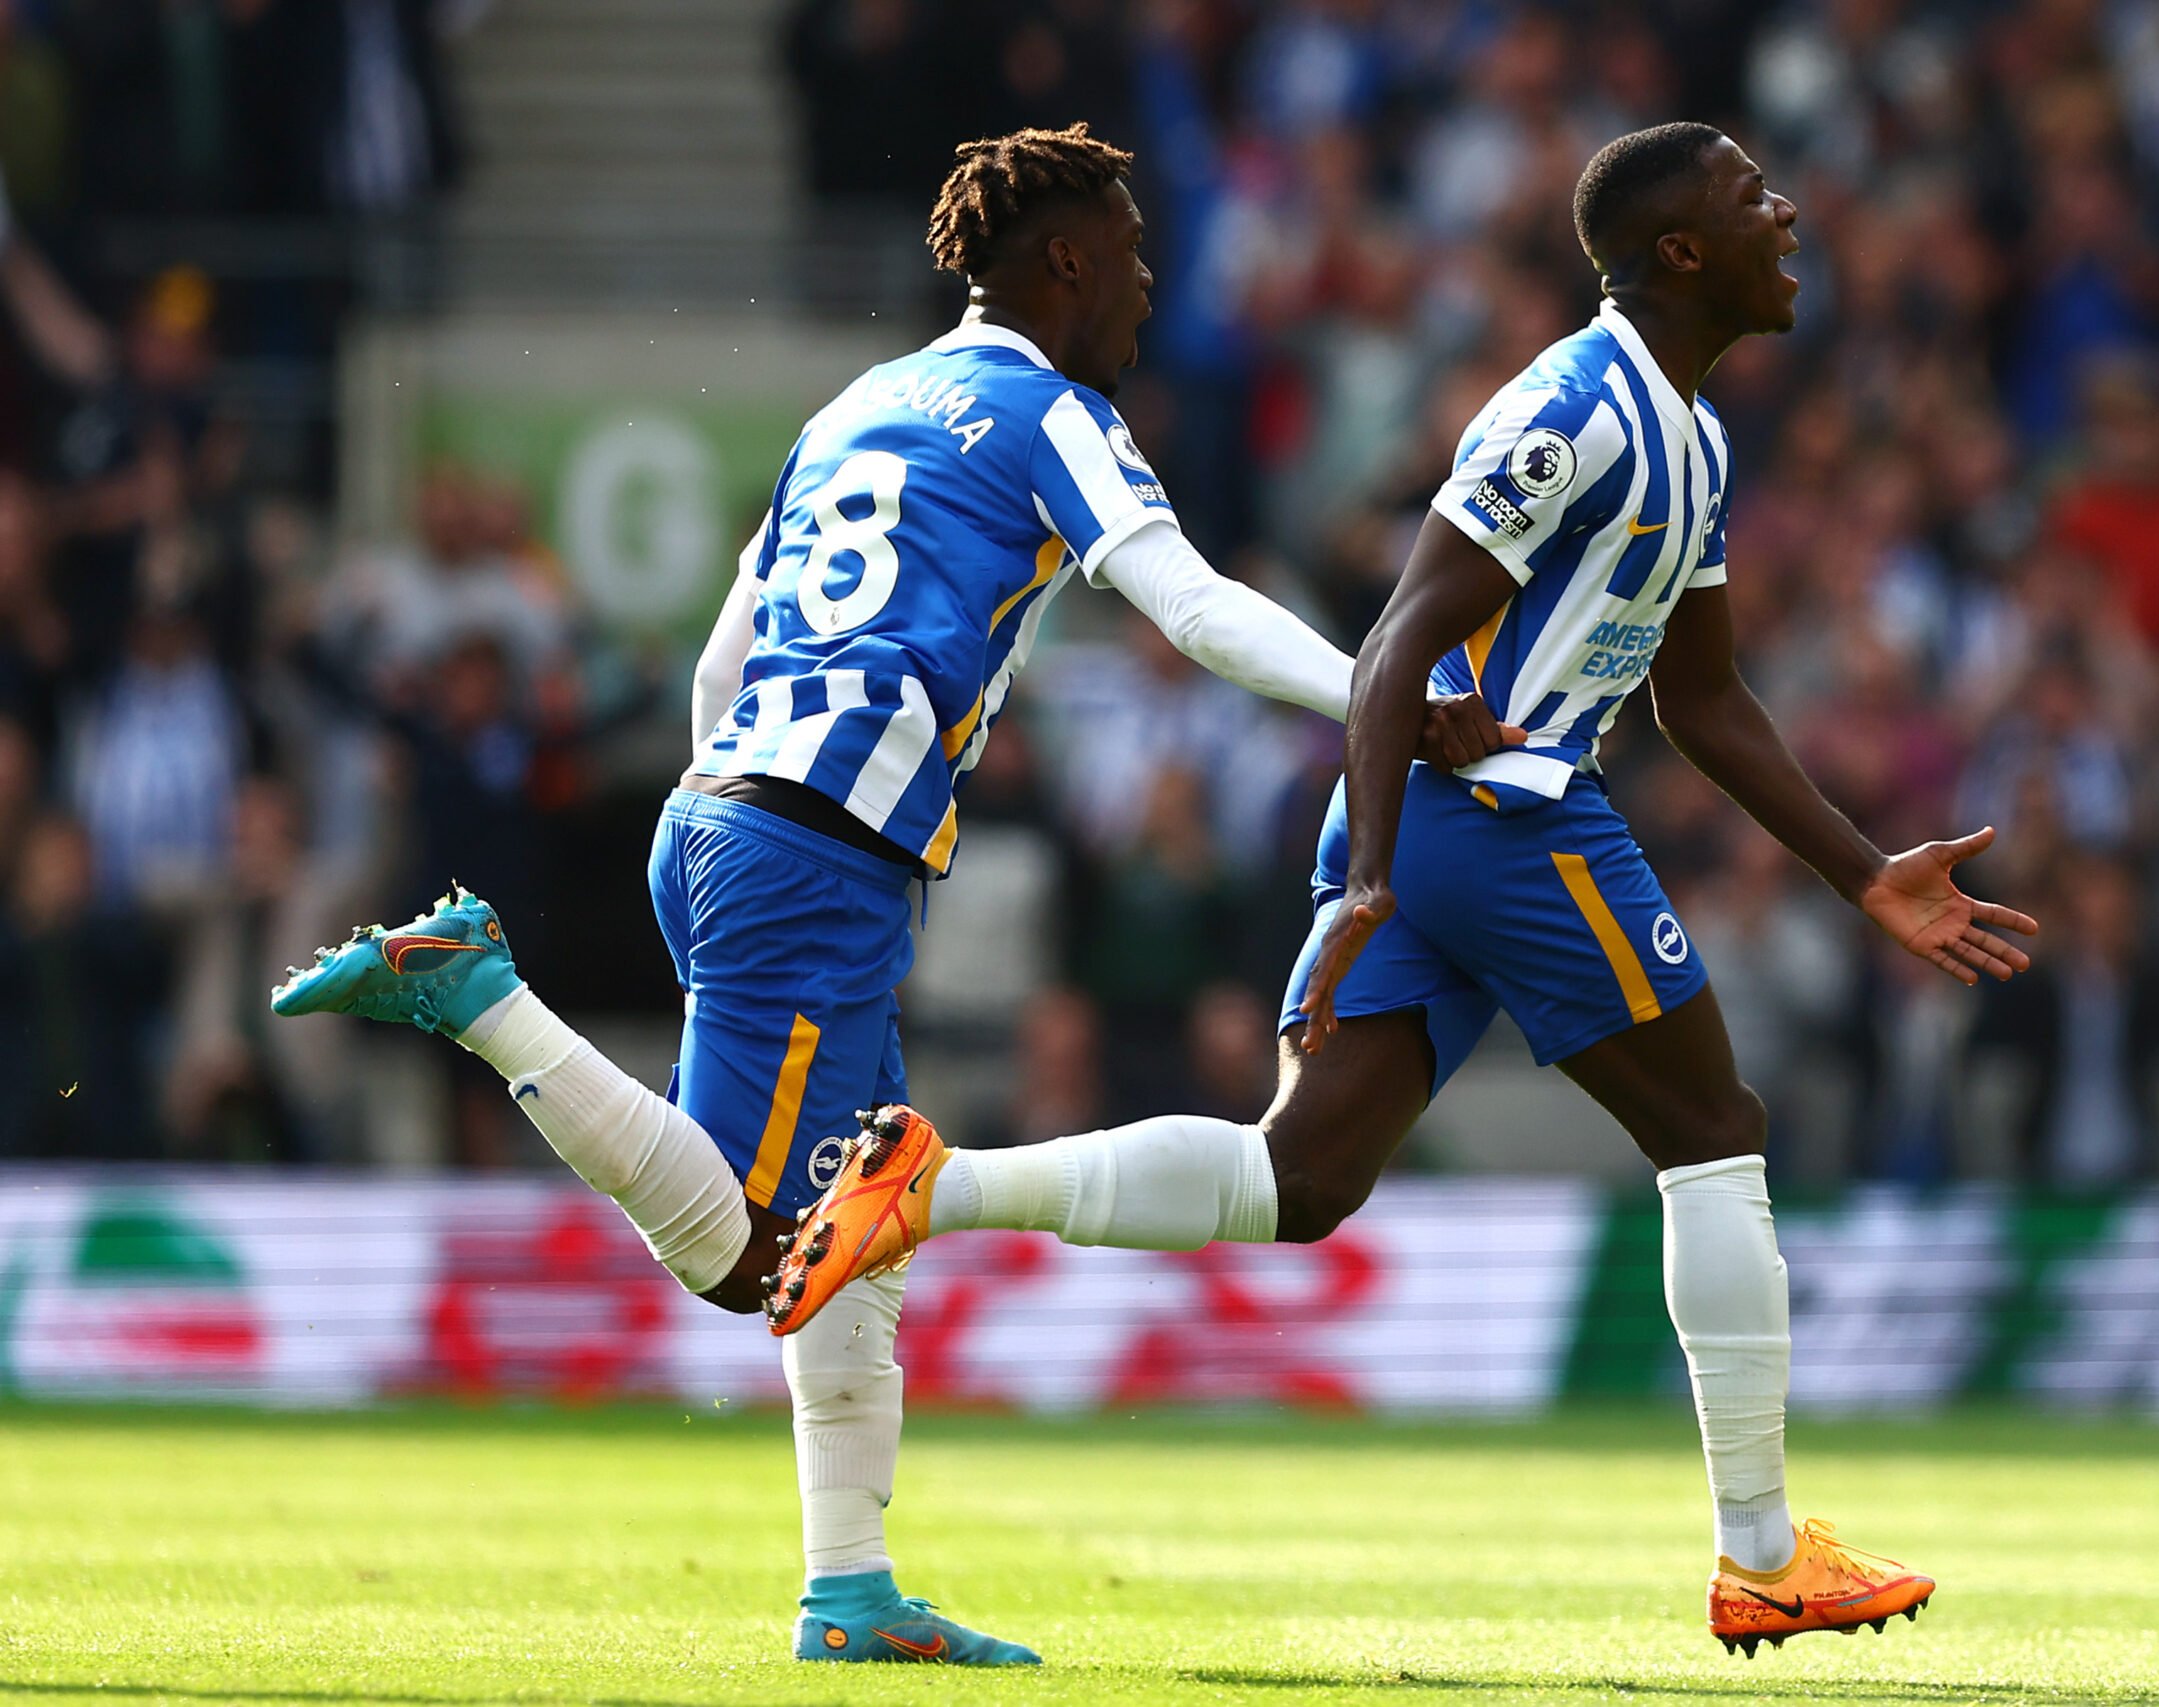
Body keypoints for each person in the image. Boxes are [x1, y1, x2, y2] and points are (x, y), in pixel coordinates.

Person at [775, 123, 2040, 1659]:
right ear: (1679, 250)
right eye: (1747, 195)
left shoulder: (1691, 437)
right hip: (1502, 814)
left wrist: (1862, 871)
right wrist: (1370, 873)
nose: (1784, 212)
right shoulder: (1573, 410)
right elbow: (1397, 642)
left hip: (1450, 830)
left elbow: (1702, 700)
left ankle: (934, 1187)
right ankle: (1765, 1554)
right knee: (1716, 1129)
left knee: (1298, 1179)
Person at [272, 123, 1511, 1668]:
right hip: (818, 849)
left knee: (860, 1227)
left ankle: (848, 1590)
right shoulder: (1054, 413)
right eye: (1133, 254)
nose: (1149, 283)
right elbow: (1191, 609)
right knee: (750, 1258)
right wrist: (1378, 694)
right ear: (1065, 260)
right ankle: (480, 995)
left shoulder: (854, 406)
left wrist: (754, 803)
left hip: (732, 812)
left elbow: (725, 657)